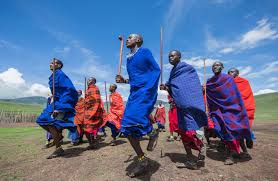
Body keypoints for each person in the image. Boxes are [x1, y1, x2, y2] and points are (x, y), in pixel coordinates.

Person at [116, 34, 160, 177]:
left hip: (145, 91)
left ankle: (152, 132)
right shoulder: (129, 58)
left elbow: (155, 70)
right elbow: (136, 78)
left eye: (131, 37)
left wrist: (148, 88)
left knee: (134, 118)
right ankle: (142, 159)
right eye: (127, 38)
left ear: (138, 40)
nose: (128, 39)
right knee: (126, 127)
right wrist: (124, 81)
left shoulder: (144, 52)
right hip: (134, 93)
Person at [160, 50, 207, 169]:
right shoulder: (172, 73)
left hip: (190, 106)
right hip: (180, 108)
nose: (170, 57)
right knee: (183, 132)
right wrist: (166, 87)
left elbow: (191, 87)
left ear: (179, 57)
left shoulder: (188, 69)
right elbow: (174, 90)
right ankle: (190, 159)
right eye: (169, 56)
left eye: (173, 55)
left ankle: (202, 150)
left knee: (192, 131)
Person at [206, 61, 254, 165]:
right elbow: (210, 98)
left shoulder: (228, 79)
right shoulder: (210, 82)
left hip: (230, 109)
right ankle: (233, 152)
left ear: (222, 67)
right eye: (213, 66)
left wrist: (236, 108)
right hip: (218, 111)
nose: (215, 67)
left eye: (218, 65)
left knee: (232, 131)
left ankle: (231, 155)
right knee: (224, 131)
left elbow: (234, 95)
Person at [36, 59, 78, 159]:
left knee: (51, 122)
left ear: (59, 65)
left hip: (61, 103)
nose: (50, 64)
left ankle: (58, 148)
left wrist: (60, 107)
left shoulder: (61, 75)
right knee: (41, 119)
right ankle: (58, 136)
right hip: (55, 102)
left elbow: (68, 91)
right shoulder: (53, 76)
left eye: (53, 63)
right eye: (50, 62)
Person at [228, 68, 255, 158]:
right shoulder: (227, 83)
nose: (230, 73)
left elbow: (246, 95)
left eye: (232, 72)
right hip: (232, 110)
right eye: (229, 72)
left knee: (242, 131)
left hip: (243, 110)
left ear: (237, 73)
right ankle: (236, 151)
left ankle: (247, 145)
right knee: (234, 133)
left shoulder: (244, 82)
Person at [84, 77, 106, 149]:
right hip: (88, 110)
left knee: (87, 127)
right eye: (88, 80)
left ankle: (91, 143)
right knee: (87, 128)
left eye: (90, 80)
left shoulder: (95, 89)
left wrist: (87, 102)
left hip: (93, 110)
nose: (88, 81)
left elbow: (96, 100)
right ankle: (91, 142)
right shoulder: (88, 90)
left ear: (93, 81)